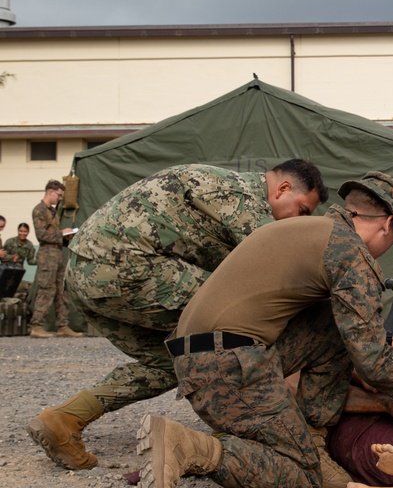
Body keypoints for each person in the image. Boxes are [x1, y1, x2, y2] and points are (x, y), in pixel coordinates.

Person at [136, 172, 393, 488]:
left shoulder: (300, 230)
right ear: (388, 224)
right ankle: (191, 448)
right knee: (300, 480)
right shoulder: (349, 252)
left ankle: (312, 439)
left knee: (334, 329)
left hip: (203, 356)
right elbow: (375, 363)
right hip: (229, 365)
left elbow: (339, 336)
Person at [26, 160, 326, 471]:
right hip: (125, 266)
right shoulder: (243, 197)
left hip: (85, 275)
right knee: (230, 326)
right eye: (303, 210)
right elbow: (284, 261)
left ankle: (65, 418)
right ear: (283, 189)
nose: (300, 221)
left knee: (176, 359)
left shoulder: (226, 188)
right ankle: (240, 432)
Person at [29, 180, 79, 339]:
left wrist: (66, 237)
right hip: (47, 256)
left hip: (57, 255)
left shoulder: (53, 212)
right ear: (50, 192)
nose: (59, 198)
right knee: (46, 290)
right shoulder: (39, 210)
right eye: (58, 195)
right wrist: (61, 233)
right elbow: (41, 235)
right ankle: (37, 326)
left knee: (61, 291)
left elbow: (53, 235)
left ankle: (62, 326)